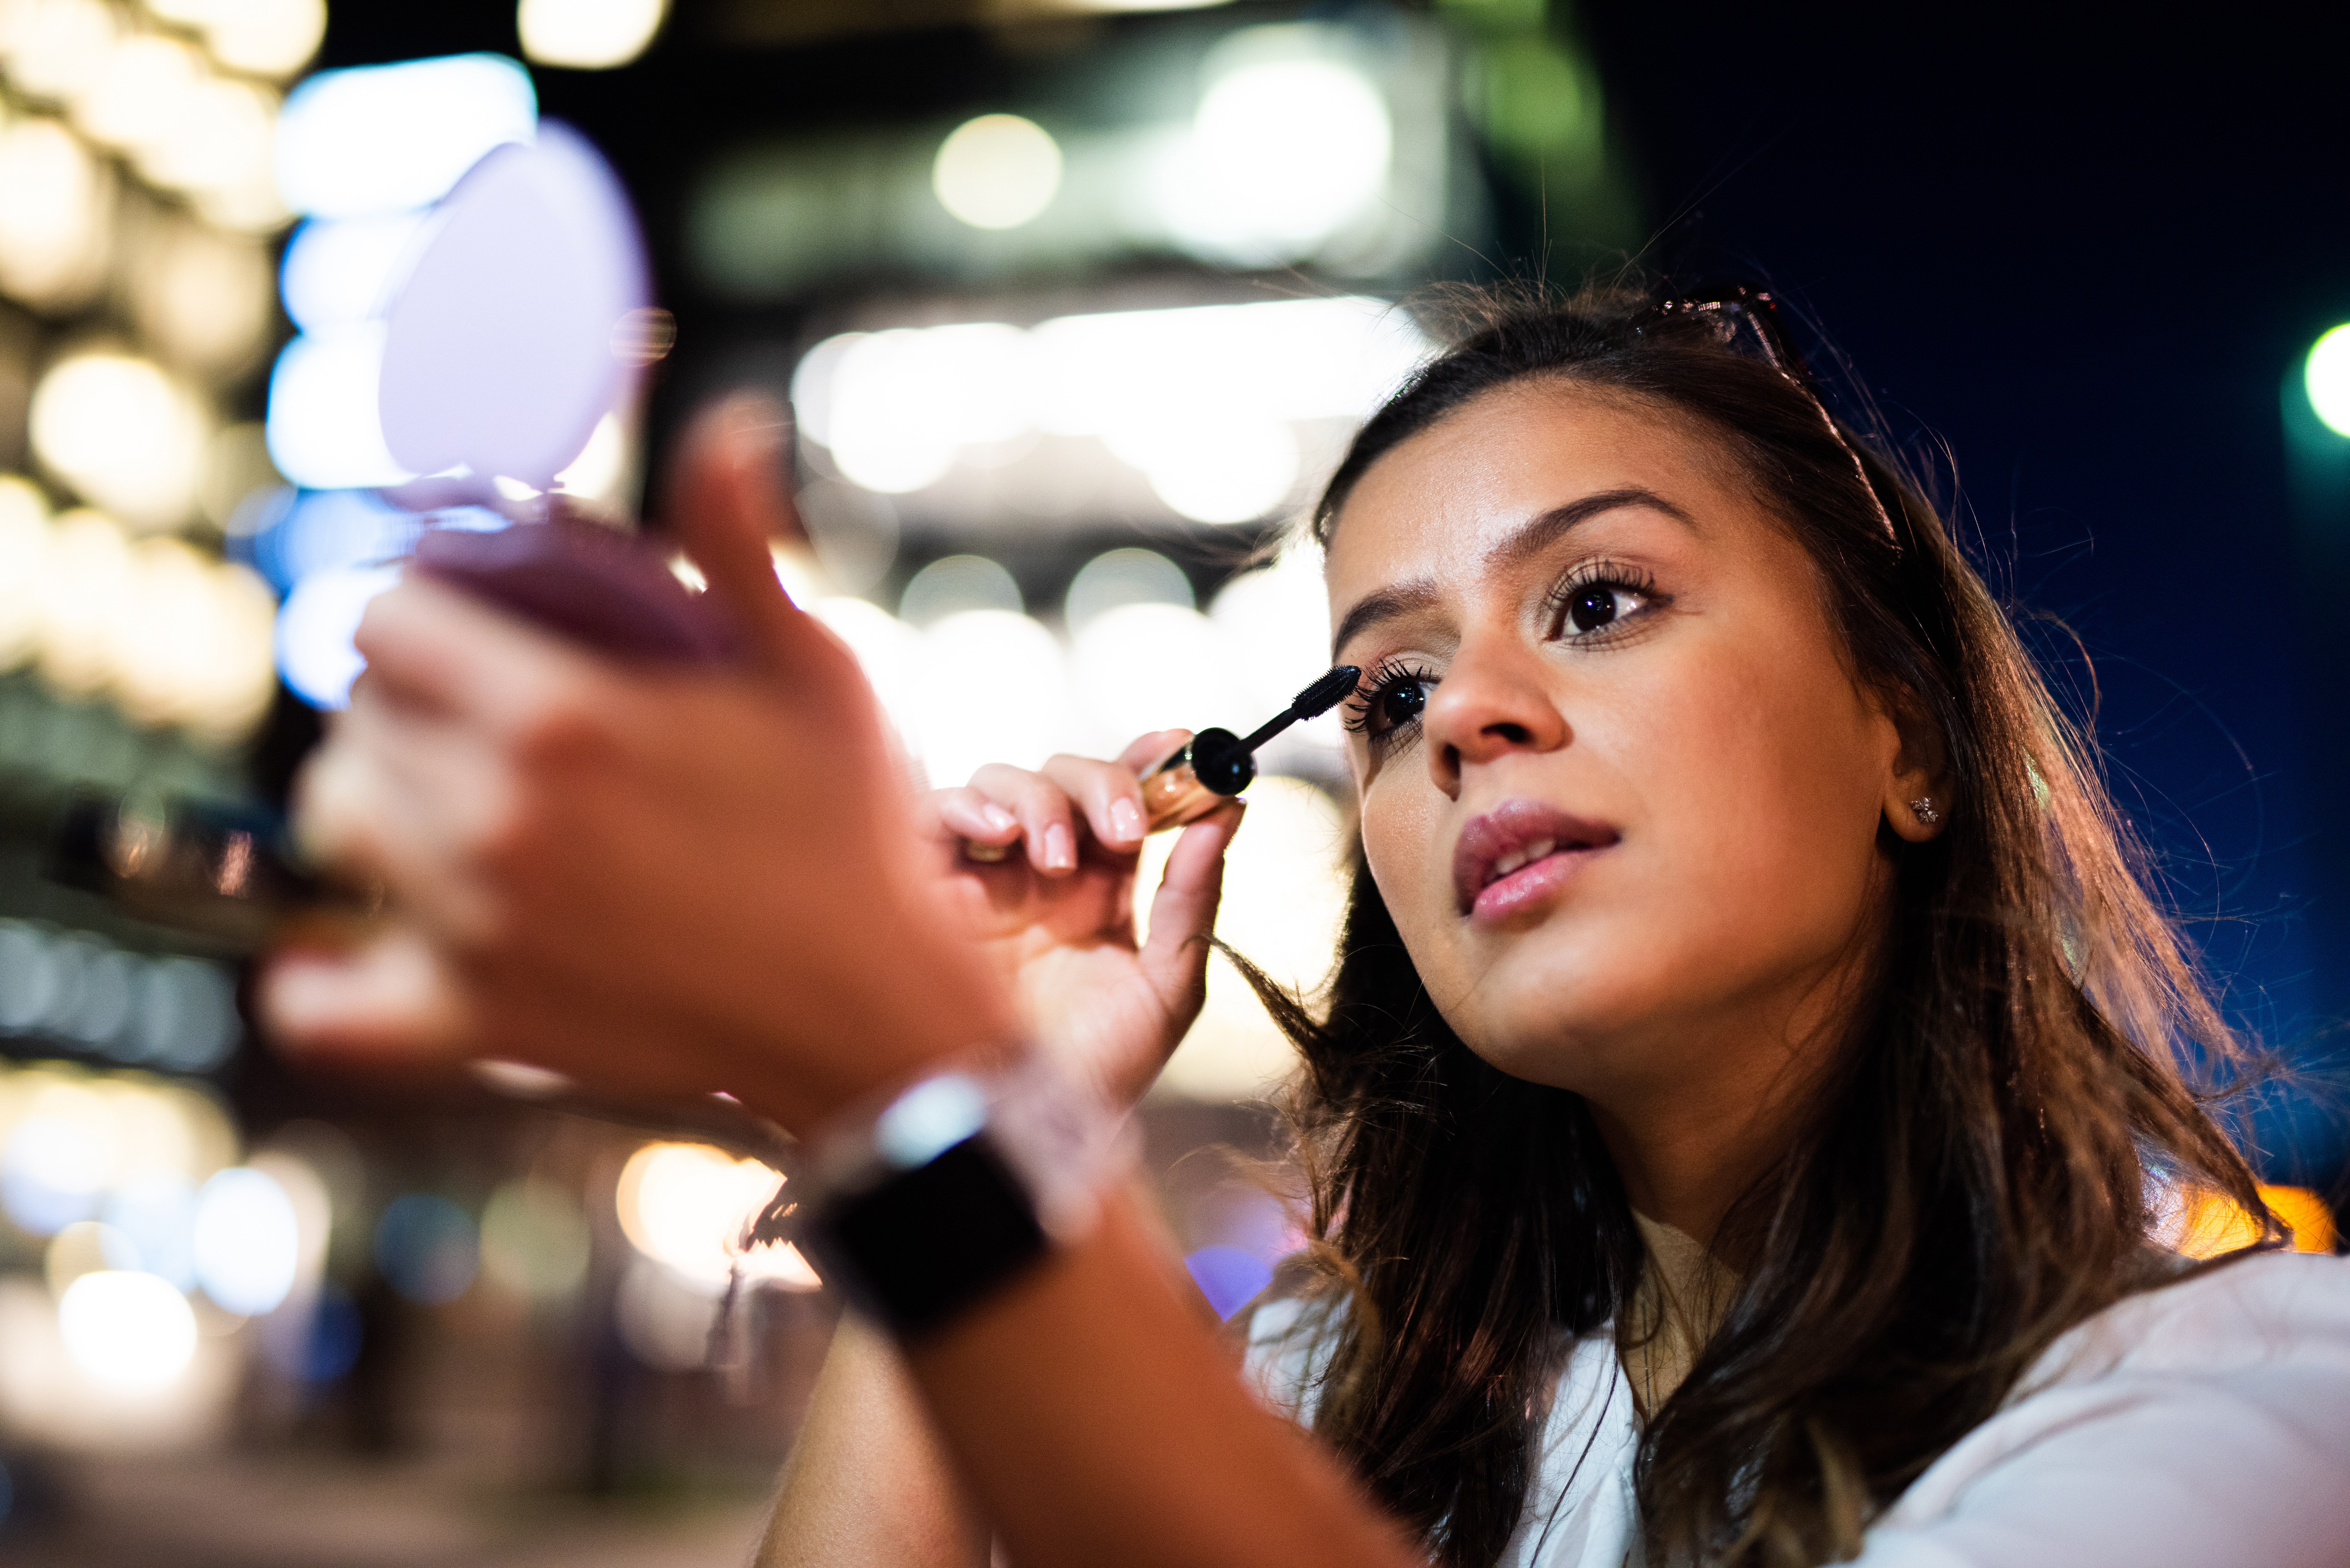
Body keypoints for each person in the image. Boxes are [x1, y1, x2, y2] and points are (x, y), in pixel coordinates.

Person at [261, 285, 2350, 1568]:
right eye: (1388, 689)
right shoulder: (1348, 1395)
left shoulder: (2248, 1413)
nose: (1470, 718)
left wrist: (918, 1118)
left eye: (1598, 600)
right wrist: (995, 1083)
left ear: (1910, 733)